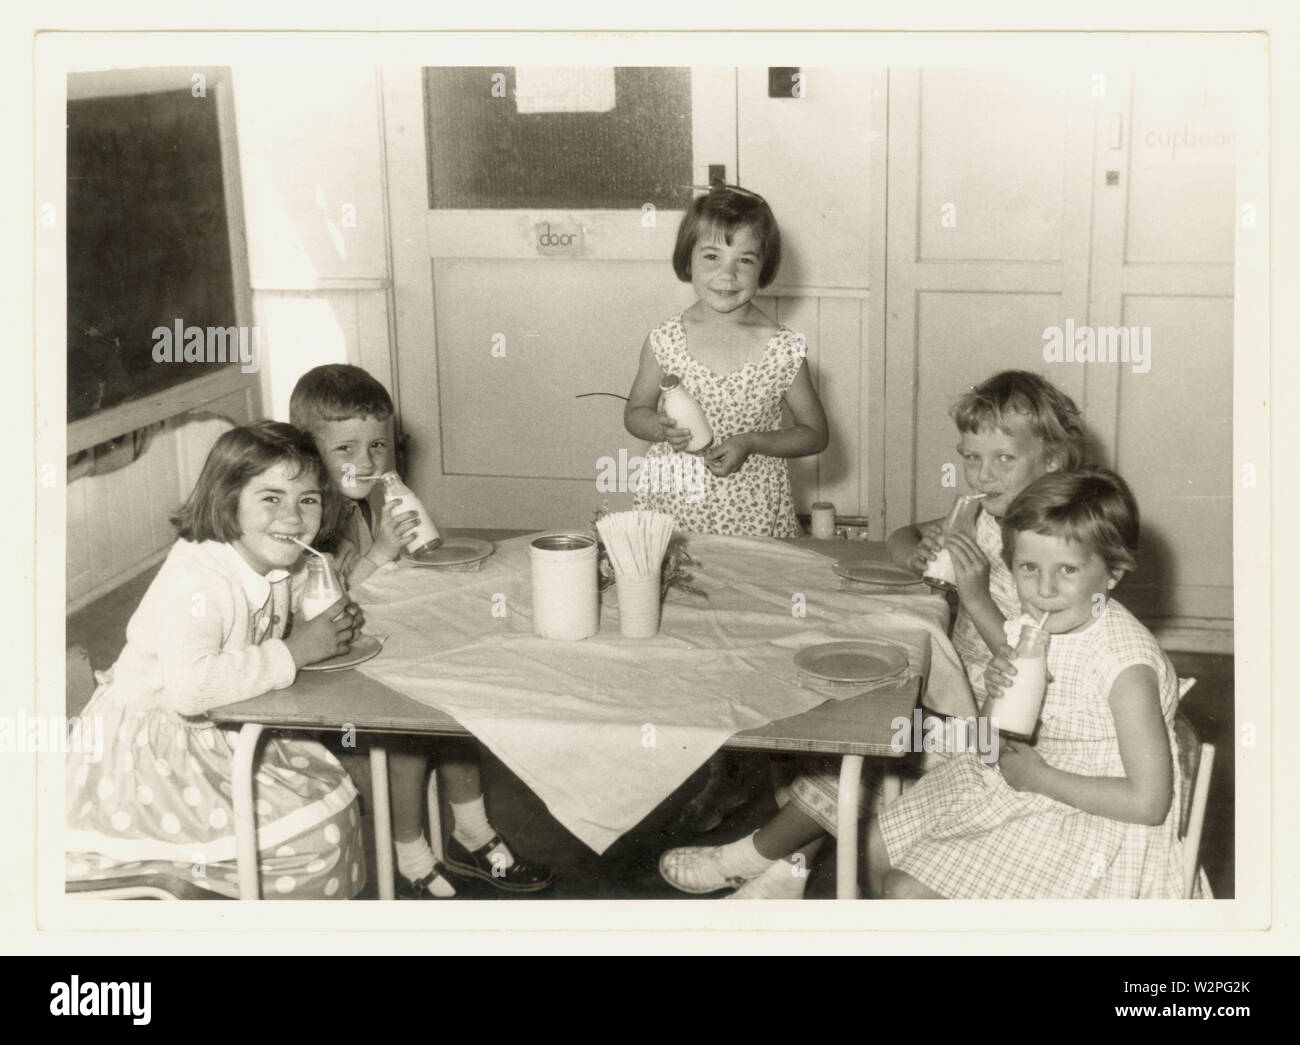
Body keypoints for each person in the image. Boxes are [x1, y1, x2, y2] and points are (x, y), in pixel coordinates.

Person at [658, 370, 1087, 897]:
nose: (982, 475)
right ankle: (787, 874)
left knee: (866, 742)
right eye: (971, 458)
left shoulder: (1057, 545)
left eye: (1004, 459)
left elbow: (1037, 669)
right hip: (963, 689)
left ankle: (751, 857)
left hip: (1017, 725)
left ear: (1053, 462)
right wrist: (919, 551)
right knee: (854, 711)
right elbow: (904, 536)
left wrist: (973, 594)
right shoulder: (988, 517)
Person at [867, 469, 1205, 899]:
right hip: (1026, 773)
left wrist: (1039, 778)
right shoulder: (1032, 624)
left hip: (1096, 815)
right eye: (1028, 567)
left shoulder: (1124, 666)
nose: (1044, 589)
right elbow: (994, 739)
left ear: (1113, 574)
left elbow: (1149, 802)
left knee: (907, 892)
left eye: (1067, 569)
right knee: (877, 843)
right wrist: (996, 691)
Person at [66, 422, 367, 898]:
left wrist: (322, 609)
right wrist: (296, 651)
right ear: (228, 502)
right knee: (317, 832)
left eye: (307, 500)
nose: (293, 516)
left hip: (213, 733)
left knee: (330, 792)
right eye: (271, 498)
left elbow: (270, 615)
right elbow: (191, 690)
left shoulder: (270, 559)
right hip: (153, 755)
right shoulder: (199, 579)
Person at [290, 364, 553, 898]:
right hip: (317, 673)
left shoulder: (365, 500)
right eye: (346, 450)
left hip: (368, 643)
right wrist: (383, 552)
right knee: (413, 725)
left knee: (459, 696)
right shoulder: (310, 516)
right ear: (309, 453)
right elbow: (327, 605)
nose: (366, 462)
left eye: (378, 446)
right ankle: (411, 855)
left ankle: (472, 833)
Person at [623, 185, 829, 832]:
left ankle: (763, 767)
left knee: (748, 639)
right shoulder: (665, 340)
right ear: (687, 259)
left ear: (764, 268)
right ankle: (715, 769)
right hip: (676, 506)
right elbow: (633, 412)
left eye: (745, 260)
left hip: (753, 510)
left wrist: (753, 442)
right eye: (712, 256)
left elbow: (815, 434)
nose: (727, 275)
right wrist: (660, 429)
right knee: (687, 642)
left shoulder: (782, 347)